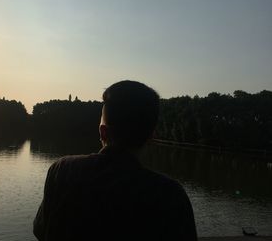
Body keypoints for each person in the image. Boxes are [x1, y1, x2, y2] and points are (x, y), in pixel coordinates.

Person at [33, 80, 197, 241]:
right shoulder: (171, 196)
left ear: (103, 133)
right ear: (151, 137)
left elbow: (41, 231)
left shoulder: (62, 171)